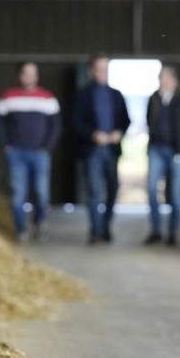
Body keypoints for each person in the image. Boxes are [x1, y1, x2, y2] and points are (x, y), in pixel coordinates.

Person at [0, 62, 61, 241]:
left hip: (40, 153)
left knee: (41, 192)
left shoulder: (48, 98)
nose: (29, 77)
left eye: (32, 73)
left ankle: (39, 221)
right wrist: (5, 145)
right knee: (18, 193)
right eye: (25, 73)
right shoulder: (7, 97)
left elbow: (55, 126)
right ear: (19, 75)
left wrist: (48, 147)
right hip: (17, 153)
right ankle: (20, 228)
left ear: (37, 76)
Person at [73, 54, 130, 244]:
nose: (102, 72)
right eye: (98, 68)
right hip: (92, 149)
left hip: (111, 149)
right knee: (95, 191)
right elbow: (75, 122)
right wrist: (92, 134)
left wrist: (118, 132)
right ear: (91, 71)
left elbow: (126, 120)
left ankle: (106, 226)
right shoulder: (82, 95)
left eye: (105, 69)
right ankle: (95, 230)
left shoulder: (116, 94)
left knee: (112, 189)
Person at [144, 64, 180, 246]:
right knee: (152, 190)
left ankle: (173, 233)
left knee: (175, 194)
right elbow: (149, 122)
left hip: (178, 152)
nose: (161, 80)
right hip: (157, 150)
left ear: (174, 80)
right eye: (160, 77)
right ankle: (156, 230)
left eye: (164, 77)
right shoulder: (154, 98)